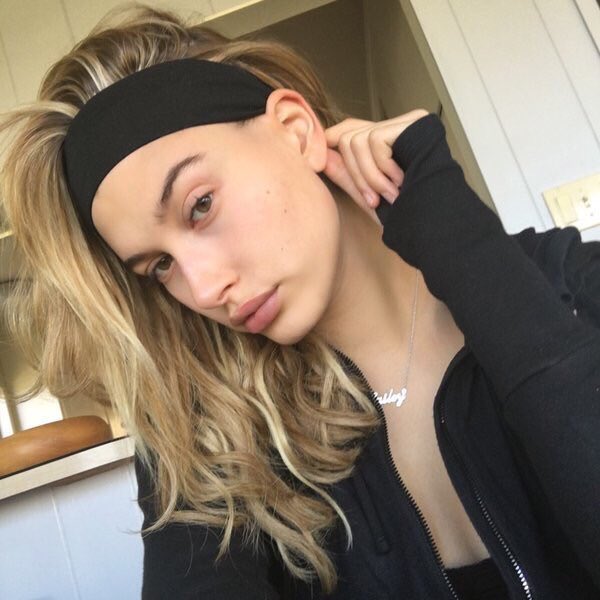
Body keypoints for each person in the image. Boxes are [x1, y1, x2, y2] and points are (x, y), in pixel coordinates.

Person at [1, 5, 599, 599]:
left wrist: (466, 248)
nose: (204, 290)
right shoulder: (207, 431)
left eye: (200, 205)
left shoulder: (572, 285)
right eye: (160, 266)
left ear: (295, 129)